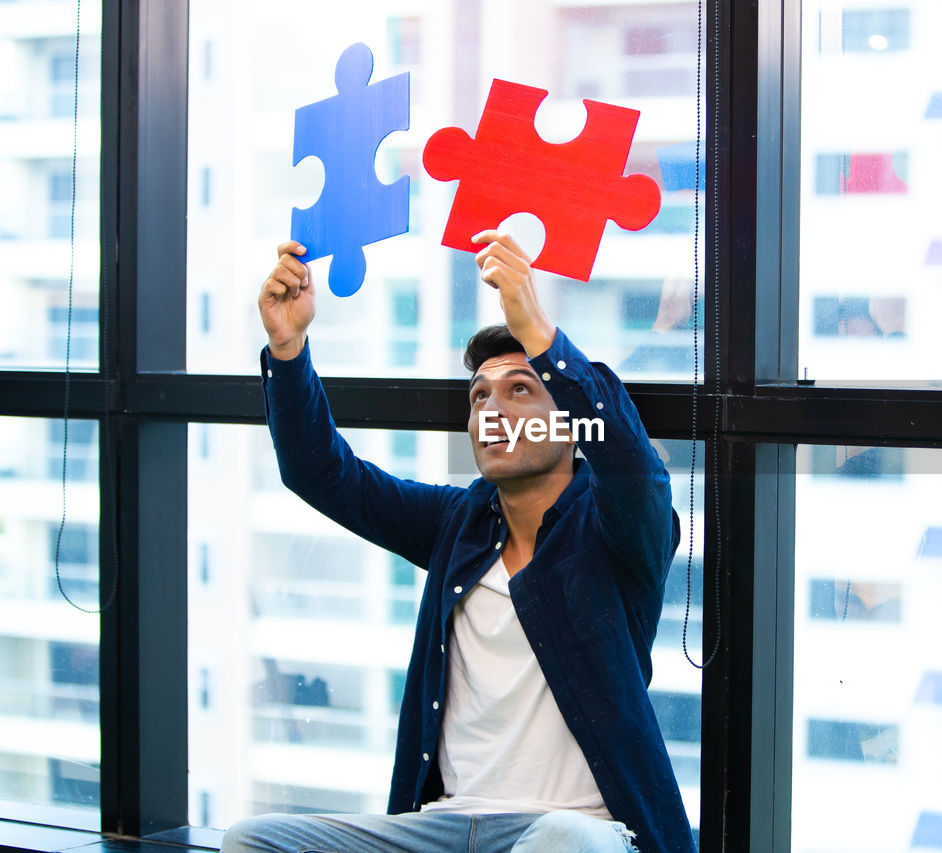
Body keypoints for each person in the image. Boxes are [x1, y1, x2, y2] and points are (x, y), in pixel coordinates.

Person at [221, 233, 695, 853]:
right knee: (250, 841)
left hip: (575, 830)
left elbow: (637, 468)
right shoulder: (458, 523)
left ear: (572, 421)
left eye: (520, 389)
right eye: (480, 397)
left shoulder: (614, 532)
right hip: (443, 826)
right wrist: (287, 349)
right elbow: (324, 476)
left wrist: (540, 335)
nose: (493, 408)